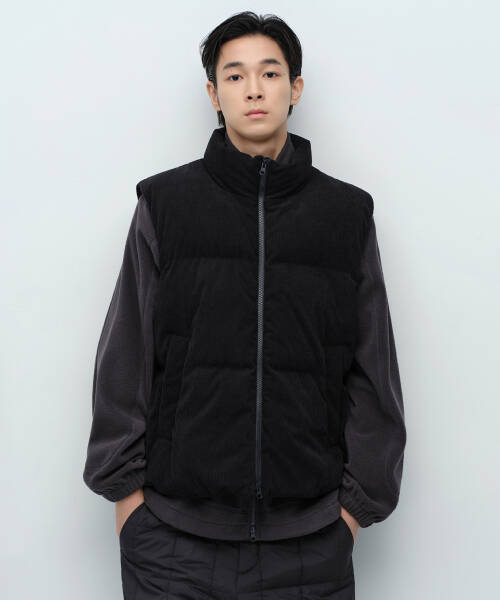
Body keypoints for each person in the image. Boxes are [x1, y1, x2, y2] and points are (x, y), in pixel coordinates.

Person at [83, 10, 406, 599]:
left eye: (270, 73)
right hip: (172, 544)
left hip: (311, 546)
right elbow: (125, 355)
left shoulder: (346, 214)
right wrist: (128, 503)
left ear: (295, 88)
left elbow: (373, 369)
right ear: (214, 94)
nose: (253, 89)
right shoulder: (165, 203)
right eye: (234, 76)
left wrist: (354, 512)